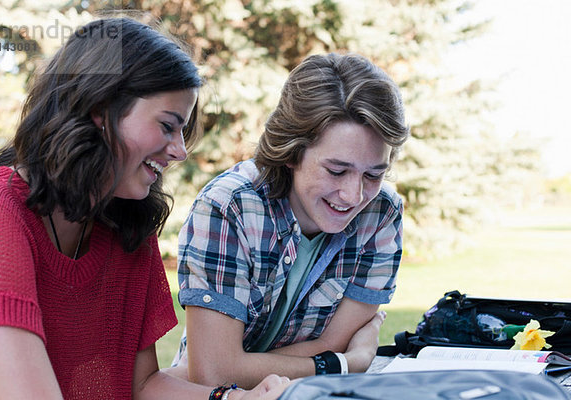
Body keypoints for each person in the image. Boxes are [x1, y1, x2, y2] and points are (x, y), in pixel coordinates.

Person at [0, 17, 289, 400]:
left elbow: (141, 384)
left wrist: (237, 398)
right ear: (101, 109)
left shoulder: (127, 224)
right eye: (168, 126)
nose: (180, 151)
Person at [173, 52, 410, 388]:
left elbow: (330, 344)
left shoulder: (382, 214)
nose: (354, 195)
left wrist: (243, 363)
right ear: (292, 151)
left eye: (374, 174)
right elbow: (214, 375)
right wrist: (345, 364)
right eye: (337, 170)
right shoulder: (229, 208)